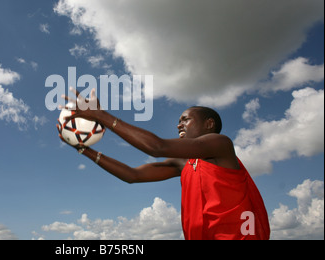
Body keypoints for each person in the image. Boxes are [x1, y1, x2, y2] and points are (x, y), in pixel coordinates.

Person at [58, 88, 270, 240]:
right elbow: (133, 175)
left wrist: (101, 116)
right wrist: (83, 149)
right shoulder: (184, 164)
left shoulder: (220, 144)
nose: (179, 124)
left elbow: (156, 147)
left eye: (185, 119)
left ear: (209, 124)